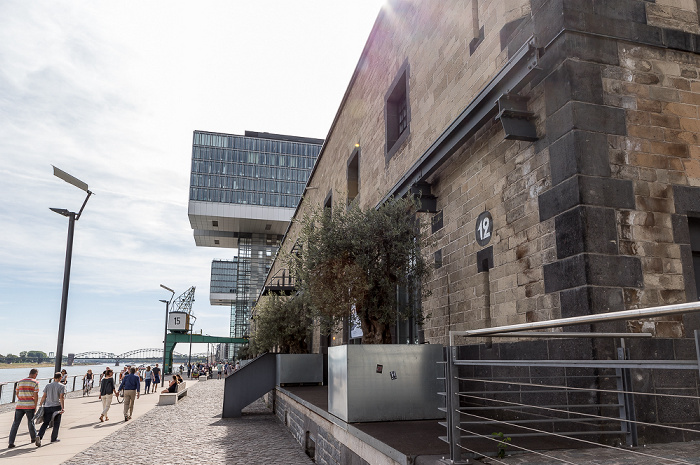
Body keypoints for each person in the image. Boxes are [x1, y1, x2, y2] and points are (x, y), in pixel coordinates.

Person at [7, 368, 39, 448]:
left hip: (20, 405)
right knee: (30, 422)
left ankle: (11, 442)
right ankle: (33, 438)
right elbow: (36, 395)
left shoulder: (20, 382)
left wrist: (21, 398)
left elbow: (17, 393)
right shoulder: (35, 382)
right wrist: (35, 406)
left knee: (15, 424)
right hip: (30, 405)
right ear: (35, 374)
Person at [36, 372, 65, 446]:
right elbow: (61, 397)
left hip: (47, 406)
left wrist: (40, 404)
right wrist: (62, 408)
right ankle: (53, 438)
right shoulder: (62, 386)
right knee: (56, 423)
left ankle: (39, 436)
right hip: (56, 406)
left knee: (45, 423)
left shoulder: (48, 385)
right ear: (60, 378)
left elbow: (44, 396)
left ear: (54, 378)